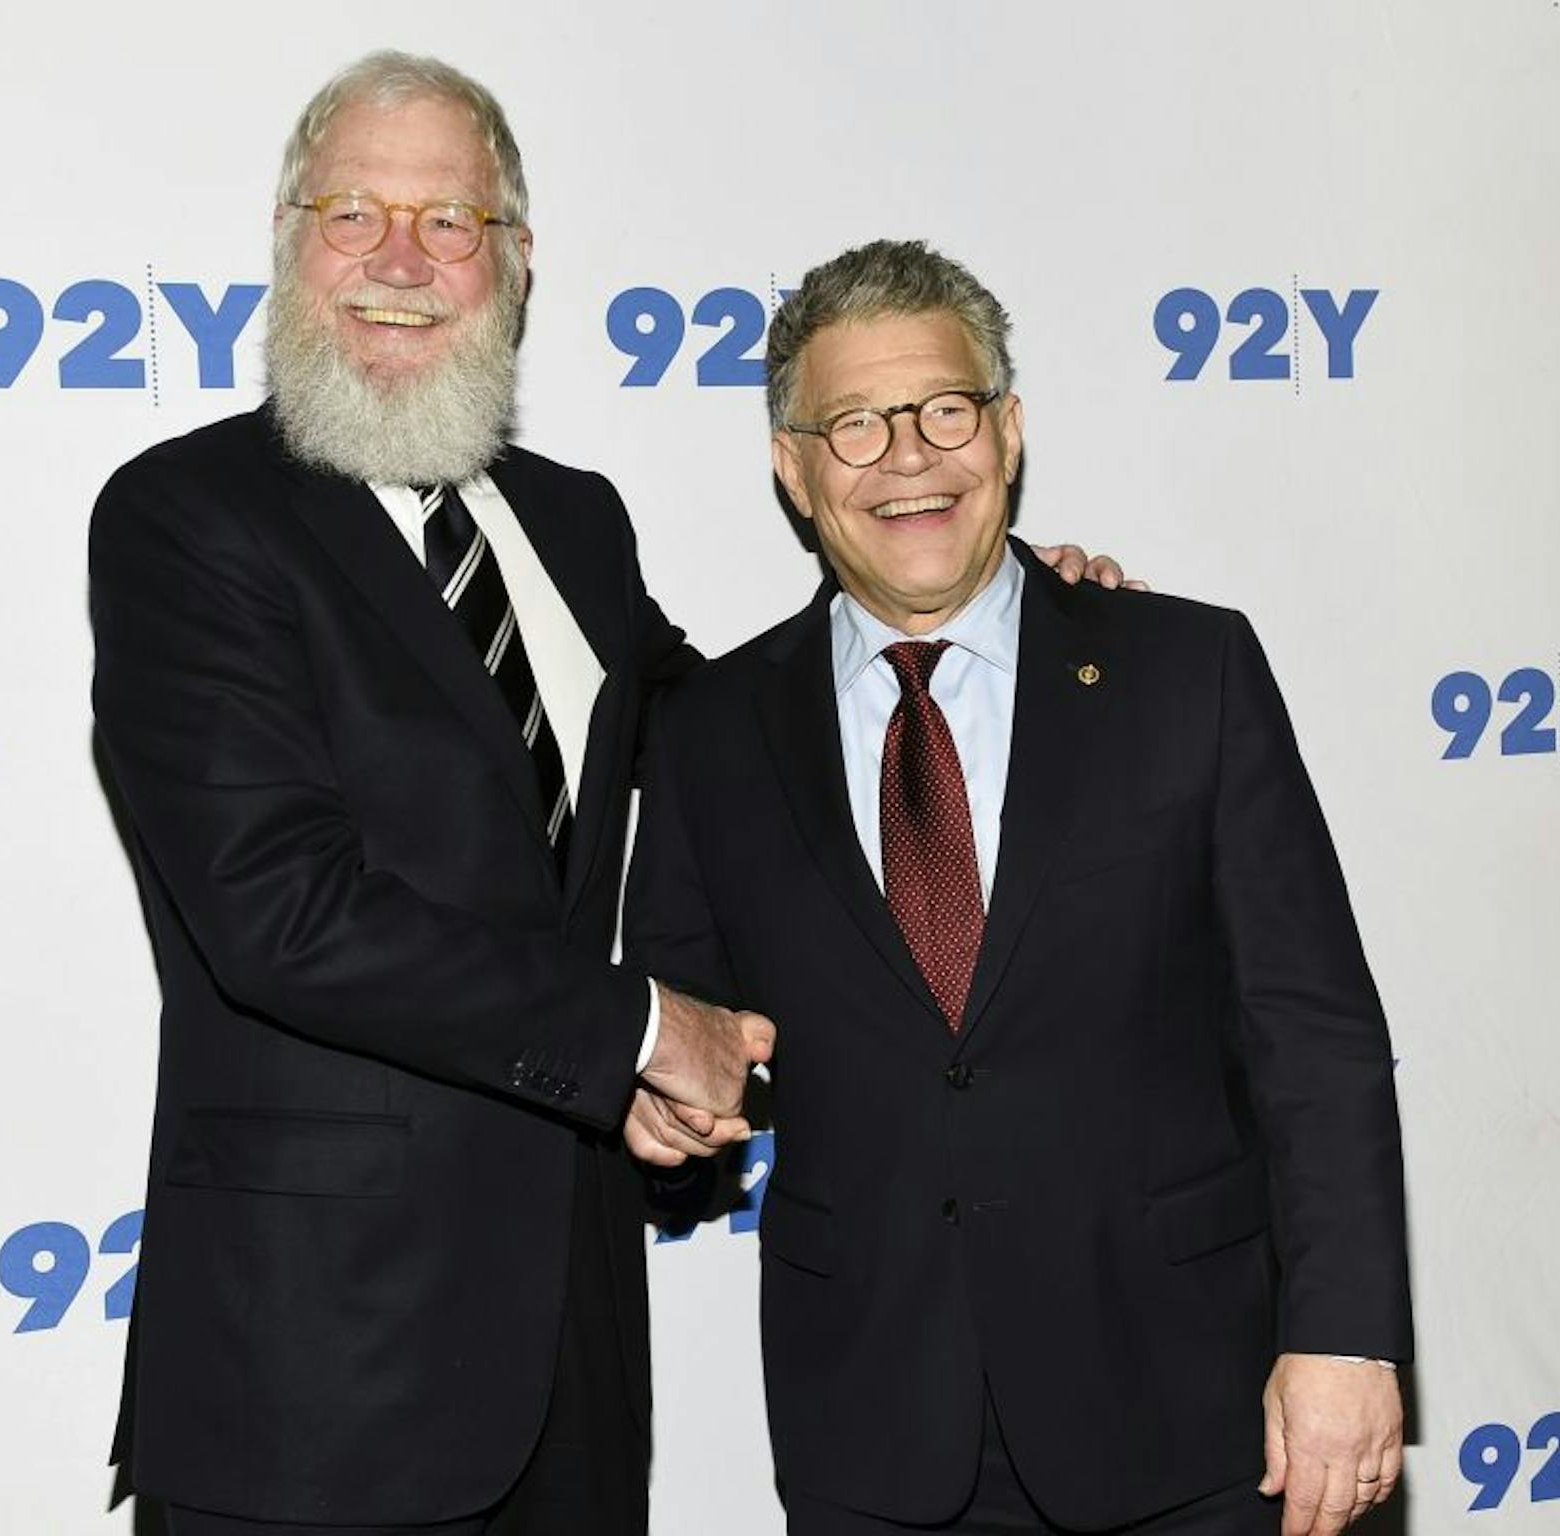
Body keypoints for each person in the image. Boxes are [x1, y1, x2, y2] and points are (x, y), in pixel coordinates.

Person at [89, 55, 1124, 1536]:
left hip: (566, 1355)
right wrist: (642, 1028)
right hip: (308, 1376)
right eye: (354, 214)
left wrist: (976, 617)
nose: (401, 262)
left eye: (452, 221)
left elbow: (734, 733)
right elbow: (279, 913)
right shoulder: (186, 517)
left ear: (515, 263)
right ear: (286, 240)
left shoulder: (572, 518)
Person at [625, 241, 1412, 1536]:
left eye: (945, 409)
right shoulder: (709, 733)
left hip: (1198, 1414)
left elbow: (1312, 1032)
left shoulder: (1187, 672)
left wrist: (1345, 1338)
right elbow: (683, 1044)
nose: (908, 458)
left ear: (1007, 430)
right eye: (855, 425)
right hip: (872, 1433)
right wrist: (657, 1116)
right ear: (793, 469)